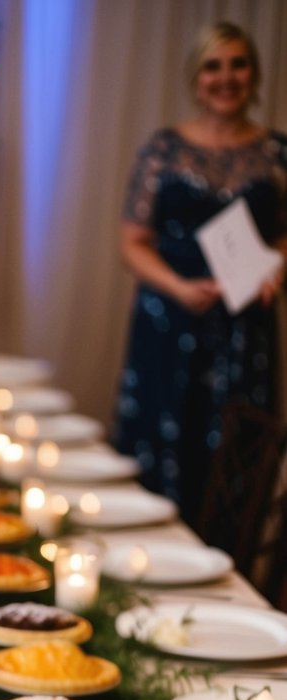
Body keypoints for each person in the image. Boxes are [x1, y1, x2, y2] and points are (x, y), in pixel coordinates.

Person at [111, 21, 287, 528]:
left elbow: (284, 236)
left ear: (254, 74)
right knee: (163, 447)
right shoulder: (162, 149)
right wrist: (179, 289)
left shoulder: (277, 154)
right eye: (214, 65)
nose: (226, 77)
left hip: (243, 328)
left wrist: (273, 266)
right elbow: (132, 241)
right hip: (170, 319)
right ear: (196, 77)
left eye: (238, 64)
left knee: (234, 460)